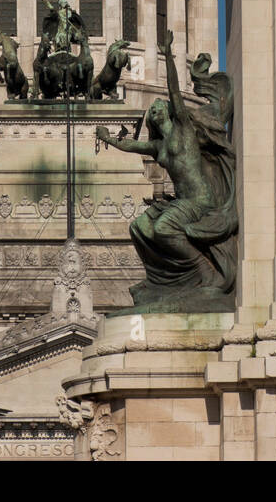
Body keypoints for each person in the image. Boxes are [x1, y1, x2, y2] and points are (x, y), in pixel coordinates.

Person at [95, 31, 237, 304]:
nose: (156, 108)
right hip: (182, 201)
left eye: (159, 106)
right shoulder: (159, 147)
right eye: (153, 109)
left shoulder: (183, 129)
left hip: (199, 200)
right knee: (139, 227)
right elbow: (132, 147)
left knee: (162, 228)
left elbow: (173, 89)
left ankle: (203, 271)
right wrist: (108, 139)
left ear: (169, 111)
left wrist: (169, 54)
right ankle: (163, 280)